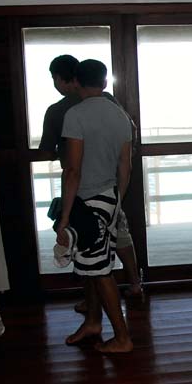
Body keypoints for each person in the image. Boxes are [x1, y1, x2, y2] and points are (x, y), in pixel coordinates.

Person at [40, 55, 144, 303]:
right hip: (111, 189)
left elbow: (51, 155)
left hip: (82, 191)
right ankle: (135, 284)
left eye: (54, 78)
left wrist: (64, 216)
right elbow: (128, 142)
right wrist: (119, 194)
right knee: (120, 236)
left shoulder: (60, 112)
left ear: (64, 79)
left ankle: (93, 306)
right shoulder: (110, 103)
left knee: (85, 246)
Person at [56, 59, 134, 353]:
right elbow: (125, 166)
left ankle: (123, 338)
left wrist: (64, 217)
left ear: (76, 82)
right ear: (103, 82)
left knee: (100, 271)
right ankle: (92, 322)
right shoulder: (120, 116)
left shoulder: (75, 115)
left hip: (88, 200)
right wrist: (117, 200)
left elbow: (72, 170)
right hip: (110, 197)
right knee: (89, 265)